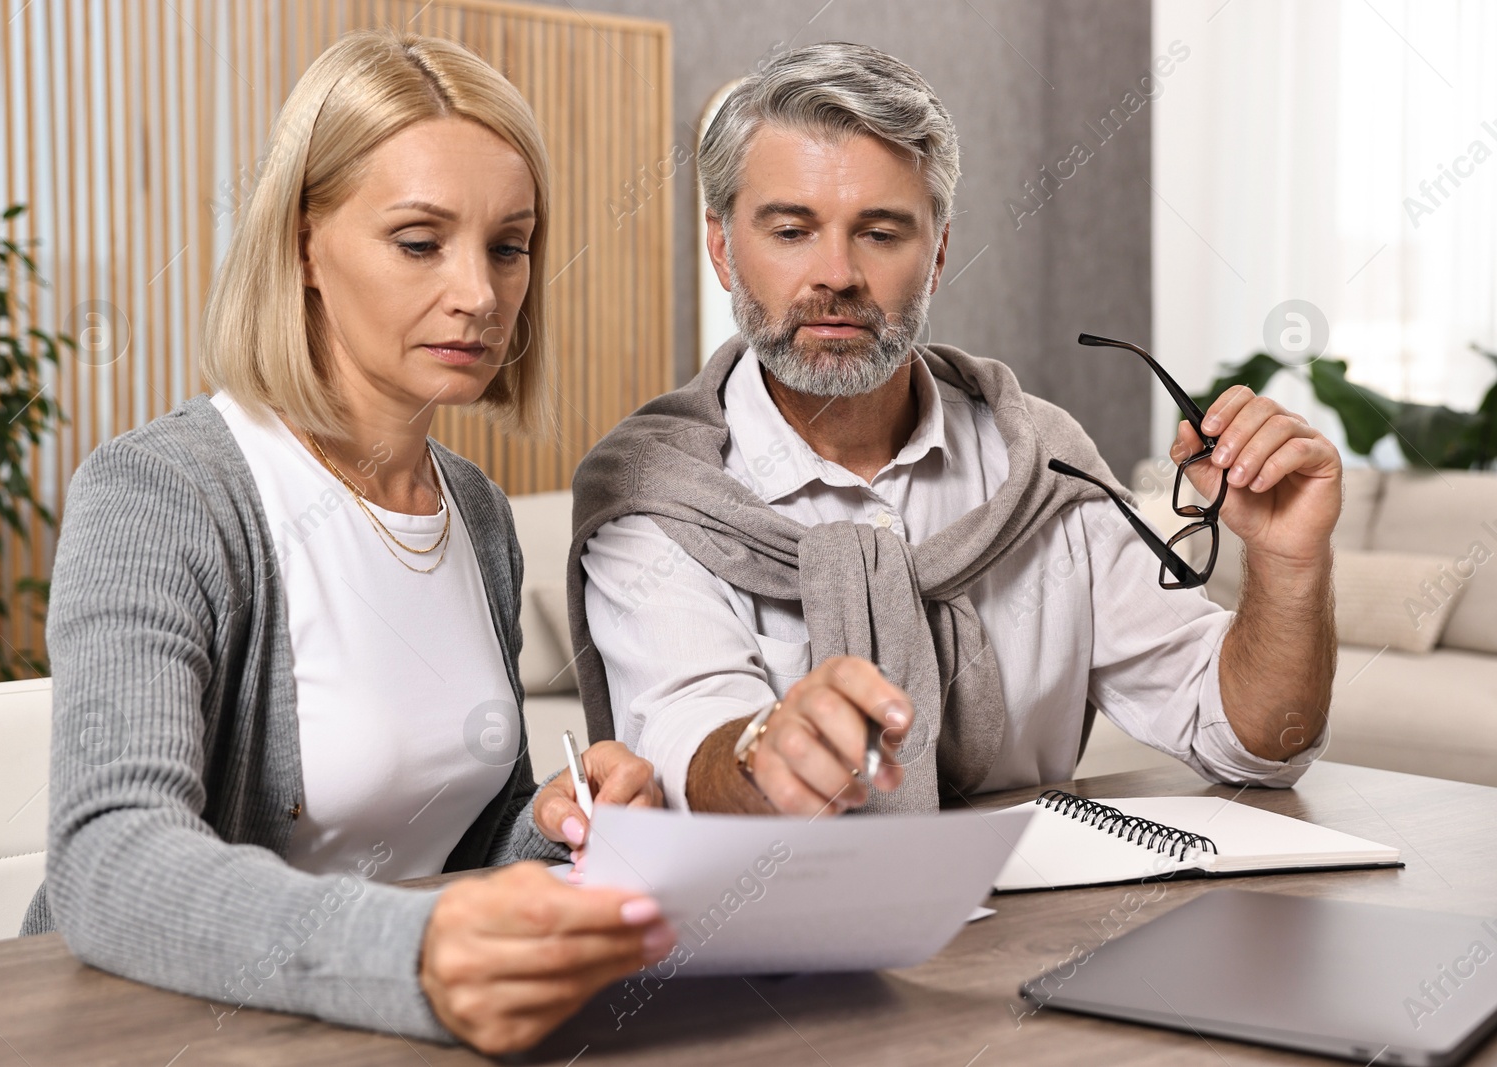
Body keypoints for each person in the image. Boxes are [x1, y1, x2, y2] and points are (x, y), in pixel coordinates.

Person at [20, 29, 674, 1055]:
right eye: (419, 242)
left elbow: (454, 841)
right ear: (302, 243)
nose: (479, 292)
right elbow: (110, 858)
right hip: (158, 1030)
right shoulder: (166, 492)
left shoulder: (478, 511)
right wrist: (406, 949)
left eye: (509, 244)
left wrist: (547, 819)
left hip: (374, 1028)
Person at [567, 42, 1341, 817]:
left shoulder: (1041, 468)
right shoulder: (655, 495)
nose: (836, 273)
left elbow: (1255, 742)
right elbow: (686, 749)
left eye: (879, 232)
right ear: (723, 249)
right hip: (772, 929)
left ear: (936, 253)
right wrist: (767, 754)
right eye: (792, 230)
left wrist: (1289, 565)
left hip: (1036, 931)